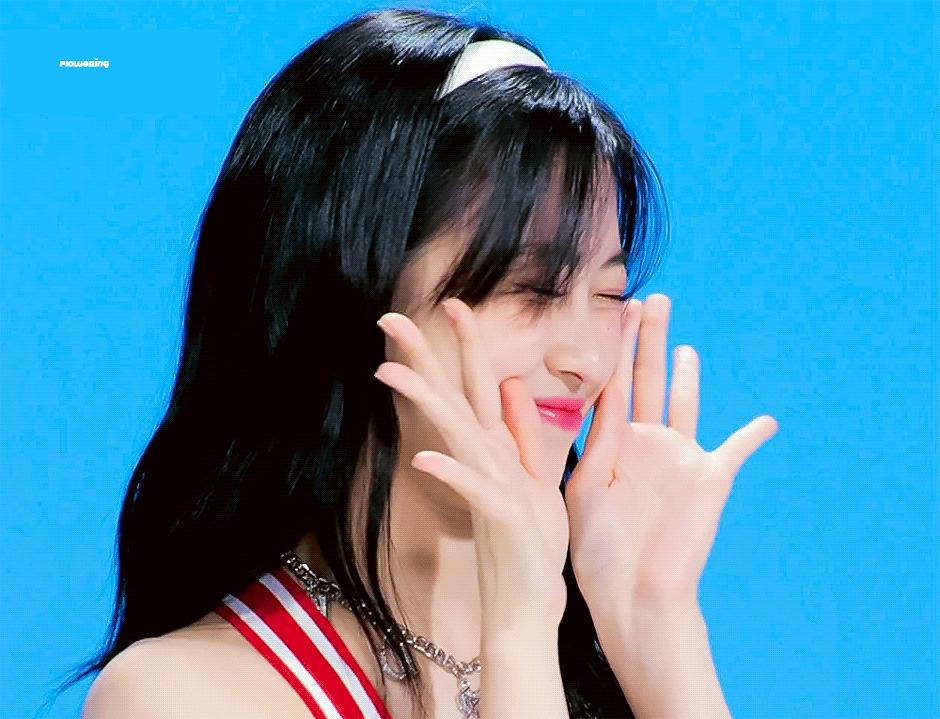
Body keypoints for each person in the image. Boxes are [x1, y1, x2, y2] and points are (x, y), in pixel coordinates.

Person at [62, 7, 778, 719]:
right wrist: (518, 627)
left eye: (609, 294)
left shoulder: (607, 647)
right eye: (532, 288)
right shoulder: (185, 693)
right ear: (348, 290)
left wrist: (657, 626)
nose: (587, 360)